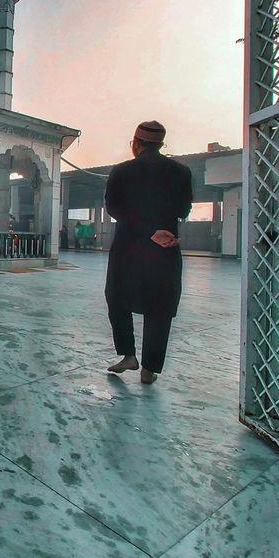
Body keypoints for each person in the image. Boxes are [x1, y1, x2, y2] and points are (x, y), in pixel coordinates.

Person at [104, 121, 193, 385]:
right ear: (161, 145)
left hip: (128, 249)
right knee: (159, 307)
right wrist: (158, 231)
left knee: (118, 299)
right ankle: (149, 370)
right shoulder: (181, 171)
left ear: (135, 144)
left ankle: (129, 355)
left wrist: (146, 231)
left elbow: (114, 209)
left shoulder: (121, 171)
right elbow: (183, 210)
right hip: (164, 249)